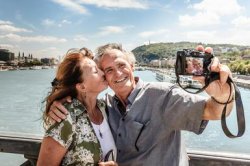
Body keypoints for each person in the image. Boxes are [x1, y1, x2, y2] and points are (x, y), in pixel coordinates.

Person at [48, 43, 234, 166]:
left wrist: (224, 94)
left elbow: (214, 111)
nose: (118, 74)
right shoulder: (104, 107)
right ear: (105, 78)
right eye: (109, 70)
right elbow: (76, 90)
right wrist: (57, 101)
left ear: (132, 67)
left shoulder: (163, 96)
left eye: (122, 66)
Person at [37, 48, 117, 166]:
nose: (103, 73)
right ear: (82, 87)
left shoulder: (105, 108)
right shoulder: (65, 116)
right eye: (96, 71)